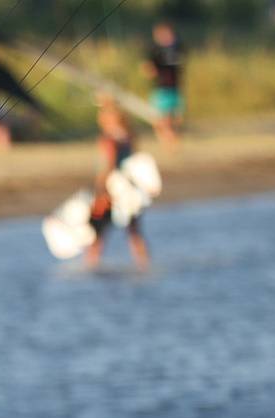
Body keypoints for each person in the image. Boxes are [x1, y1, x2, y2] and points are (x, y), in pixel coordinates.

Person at [89, 97, 149, 271]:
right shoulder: (128, 136)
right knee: (134, 232)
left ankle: (91, 268)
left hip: (111, 190)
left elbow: (109, 166)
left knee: (97, 233)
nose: (99, 118)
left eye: (102, 115)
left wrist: (100, 190)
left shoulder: (109, 139)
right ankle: (144, 265)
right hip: (129, 190)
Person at [142, 23, 185, 146]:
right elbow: (147, 69)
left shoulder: (177, 48)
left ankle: (171, 141)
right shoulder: (154, 50)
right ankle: (167, 141)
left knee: (175, 119)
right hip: (161, 89)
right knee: (161, 119)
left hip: (175, 88)